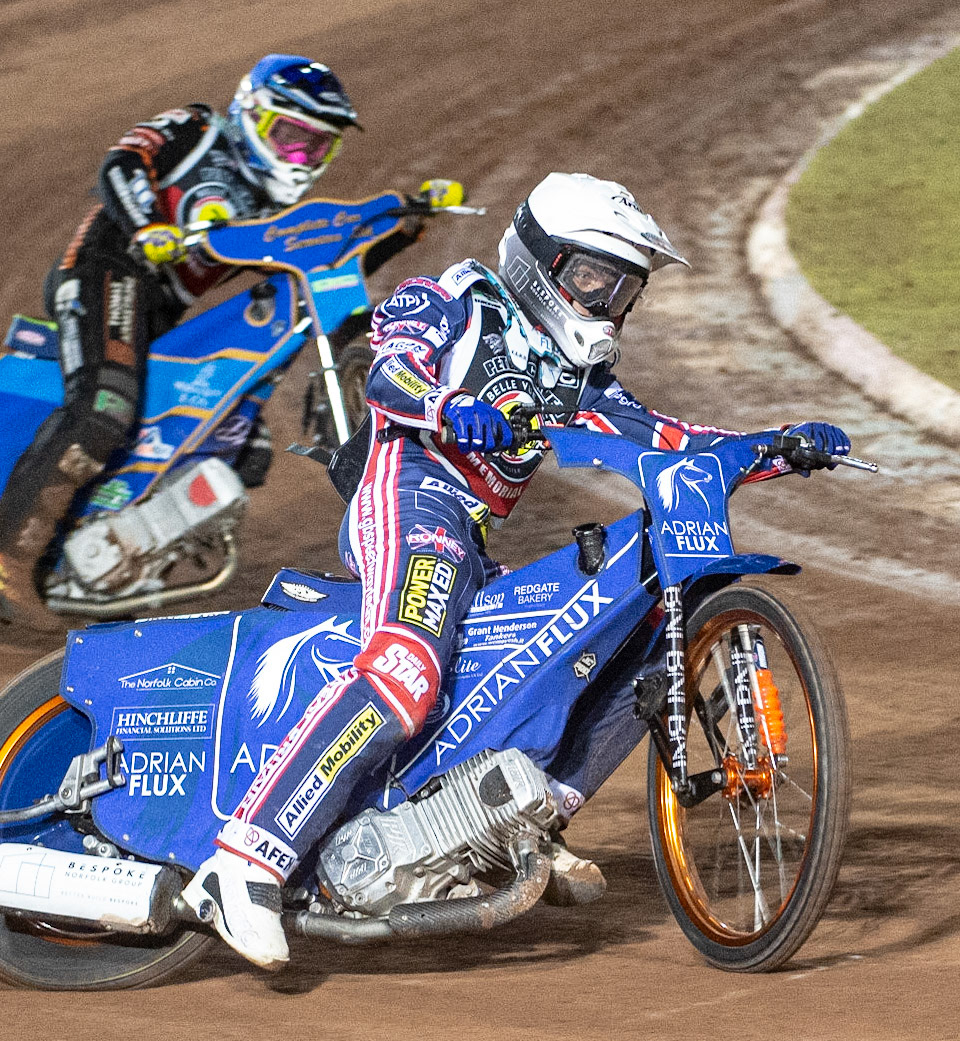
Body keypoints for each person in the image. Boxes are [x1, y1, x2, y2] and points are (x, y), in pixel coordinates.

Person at [181, 172, 854, 969]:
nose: (607, 300)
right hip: (410, 496)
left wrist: (776, 446)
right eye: (594, 277)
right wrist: (445, 408)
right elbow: (387, 374)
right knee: (404, 666)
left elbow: (670, 439)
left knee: (595, 660)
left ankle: (504, 827)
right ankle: (246, 860)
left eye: (623, 287)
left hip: (468, 534)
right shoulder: (452, 301)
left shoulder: (578, 380)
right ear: (541, 261)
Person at [0, 55, 362, 628]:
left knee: (234, 440)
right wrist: (148, 222)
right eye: (291, 137)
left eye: (317, 147)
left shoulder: (273, 204)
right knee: (106, 404)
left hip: (154, 307)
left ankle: (95, 553)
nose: (300, 158)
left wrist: (398, 219)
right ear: (252, 113)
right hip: (106, 267)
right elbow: (123, 161)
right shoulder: (199, 129)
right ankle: (5, 553)